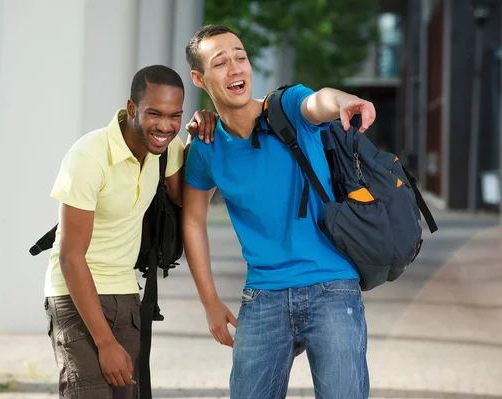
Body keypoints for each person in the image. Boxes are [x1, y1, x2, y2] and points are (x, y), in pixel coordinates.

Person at [182, 25, 377, 399]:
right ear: (199, 78)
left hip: (332, 288)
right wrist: (209, 302)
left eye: (241, 57)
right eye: (220, 63)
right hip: (263, 297)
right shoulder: (205, 146)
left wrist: (343, 102)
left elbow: (318, 101)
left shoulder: (286, 108)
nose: (236, 68)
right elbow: (192, 220)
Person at [43, 64, 214, 399]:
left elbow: (186, 197)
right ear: (132, 108)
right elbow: (70, 256)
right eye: (155, 114)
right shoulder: (88, 158)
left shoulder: (167, 149)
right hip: (75, 293)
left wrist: (199, 136)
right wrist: (105, 342)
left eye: (174, 116)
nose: (165, 126)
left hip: (125, 293)